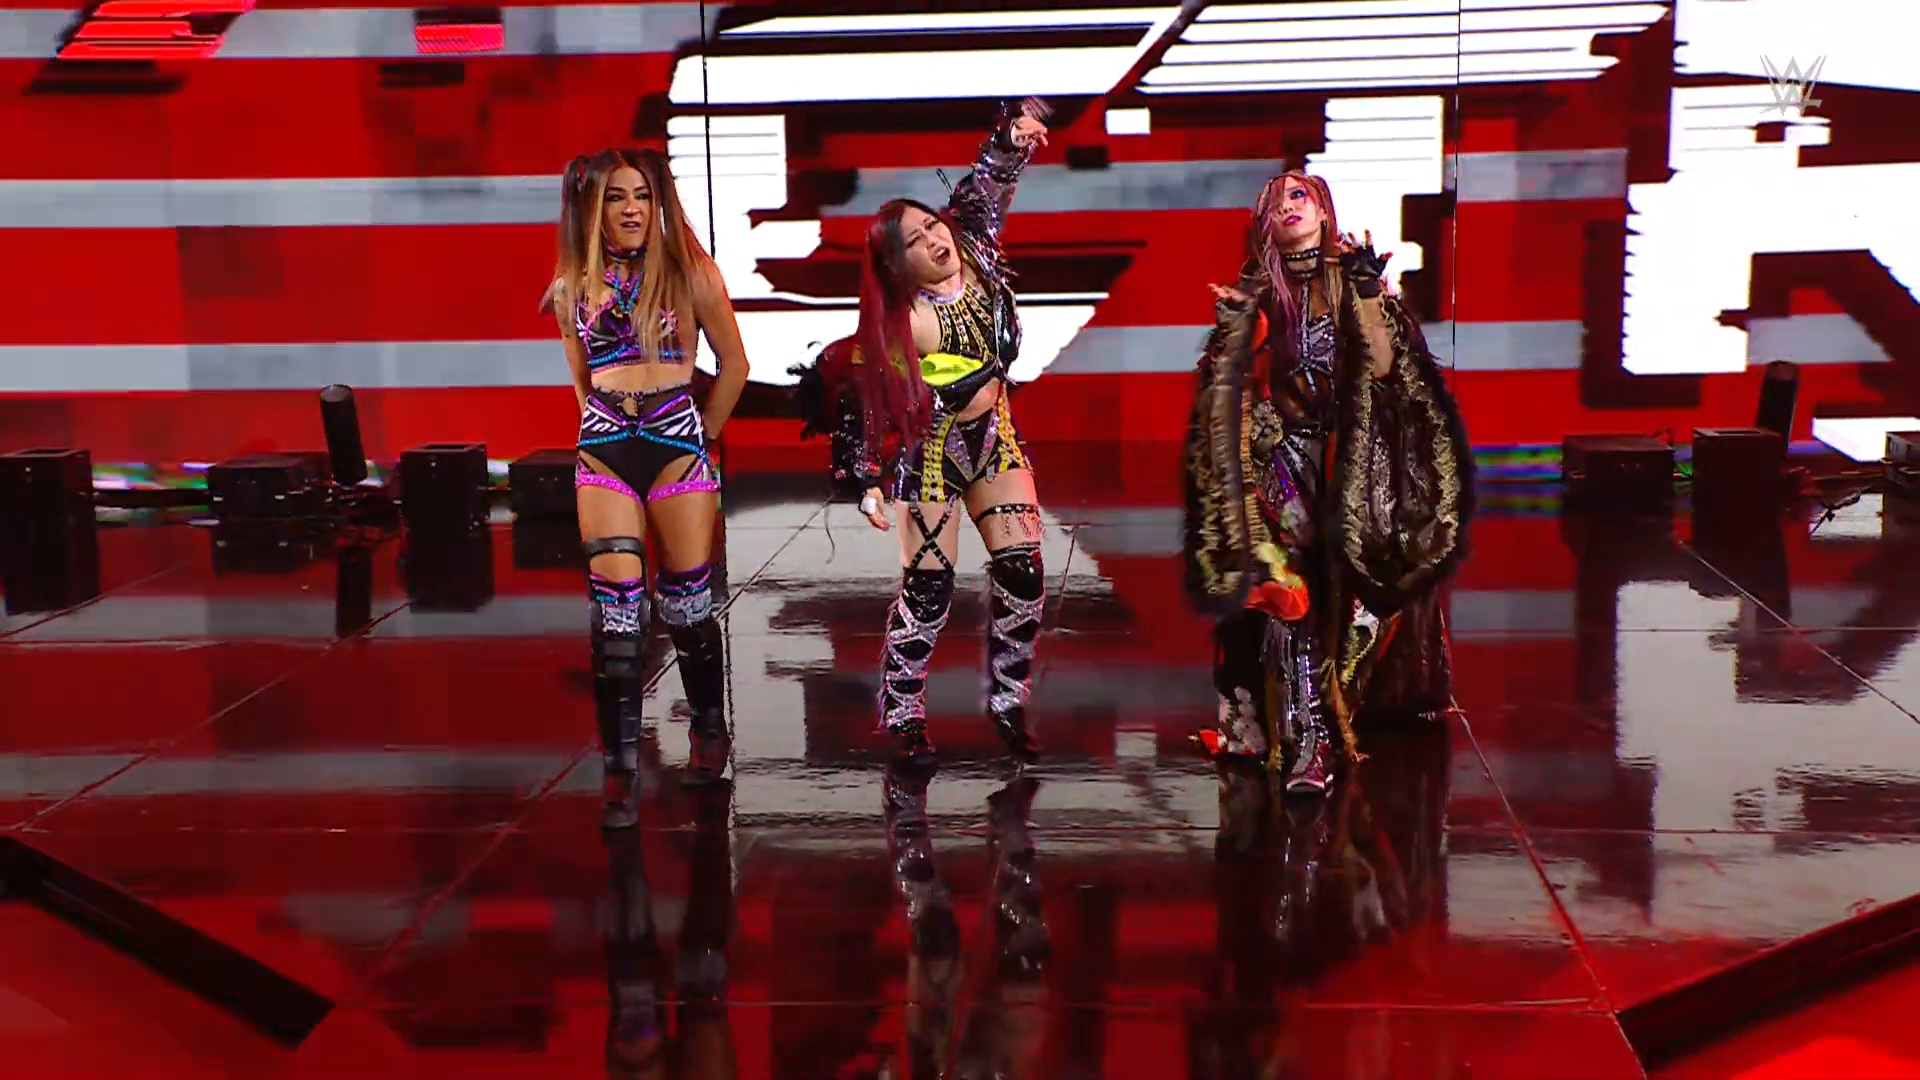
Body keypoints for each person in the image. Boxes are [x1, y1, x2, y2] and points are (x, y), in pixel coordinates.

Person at [1183, 171, 1474, 794]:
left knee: (1357, 604)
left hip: (1354, 467)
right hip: (1282, 466)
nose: (1287, 206)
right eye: (1274, 200)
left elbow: (1389, 367)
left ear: (1322, 210)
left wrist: (1368, 293)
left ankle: (1333, 720)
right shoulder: (1256, 292)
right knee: (1288, 597)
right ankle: (1305, 749)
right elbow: (1223, 392)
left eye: (1299, 195)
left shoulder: (1351, 281)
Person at [792, 99, 1052, 769]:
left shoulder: (976, 246)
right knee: (929, 590)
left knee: (1023, 573)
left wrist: (1010, 136)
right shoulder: (901, 326)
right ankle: (904, 711)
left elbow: (987, 183)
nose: (935, 240)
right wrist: (866, 480)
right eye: (914, 241)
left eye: (932, 224)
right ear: (896, 267)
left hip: (995, 436)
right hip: (930, 455)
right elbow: (862, 399)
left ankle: (1008, 698)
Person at [546, 147, 751, 825]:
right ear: (593, 208)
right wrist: (598, 430)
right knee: (616, 613)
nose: (632, 209)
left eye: (642, 196)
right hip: (605, 449)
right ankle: (620, 767)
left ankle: (709, 729)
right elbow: (581, 379)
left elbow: (735, 363)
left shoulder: (689, 271)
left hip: (676, 447)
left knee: (688, 608)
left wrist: (701, 438)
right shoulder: (572, 283)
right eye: (616, 197)